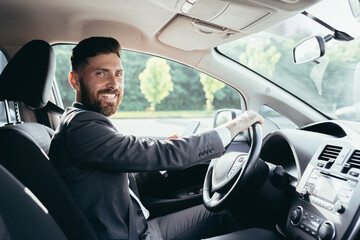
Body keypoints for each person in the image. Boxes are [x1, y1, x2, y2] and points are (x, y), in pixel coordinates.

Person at [49, 37, 264, 240]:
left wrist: (160, 165)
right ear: (75, 81)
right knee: (238, 221)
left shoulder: (81, 122)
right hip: (132, 235)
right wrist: (233, 127)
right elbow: (162, 152)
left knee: (221, 210)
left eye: (119, 74)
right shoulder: (83, 128)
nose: (114, 84)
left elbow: (124, 176)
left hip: (136, 224)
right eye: (101, 73)